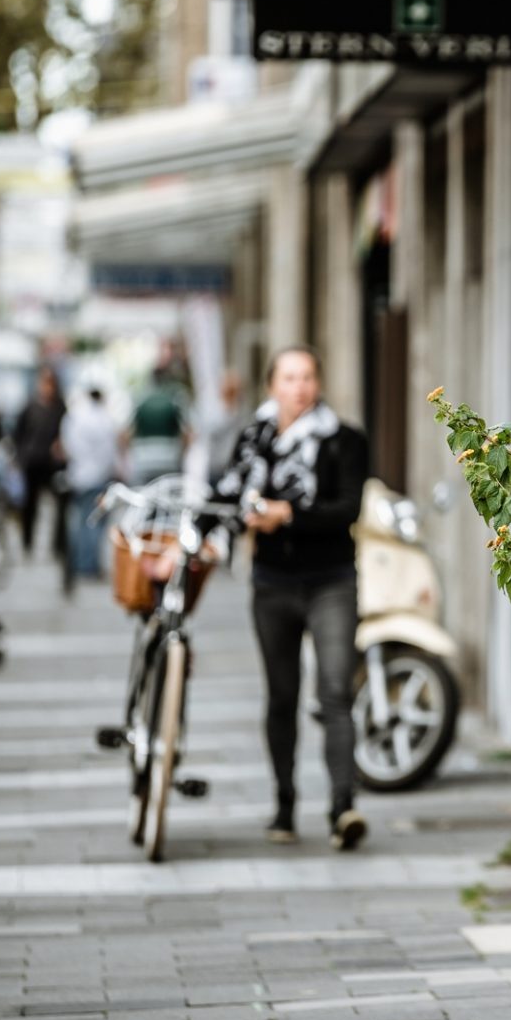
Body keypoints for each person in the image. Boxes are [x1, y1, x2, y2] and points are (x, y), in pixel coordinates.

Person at [212, 346, 369, 851]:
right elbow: (226, 496)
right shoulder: (253, 440)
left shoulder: (344, 441)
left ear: (318, 384)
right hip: (273, 582)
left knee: (334, 693)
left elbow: (348, 507)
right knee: (281, 696)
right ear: (271, 386)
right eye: (288, 377)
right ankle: (284, 804)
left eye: (307, 377)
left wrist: (288, 515)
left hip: (331, 580)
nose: (298, 387)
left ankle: (343, 807)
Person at [59, 385, 122, 593]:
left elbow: (67, 445)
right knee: (95, 522)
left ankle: (81, 564)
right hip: (98, 477)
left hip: (79, 476)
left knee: (81, 521)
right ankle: (90, 566)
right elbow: (111, 450)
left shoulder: (75, 417)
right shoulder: (105, 419)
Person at [12, 365, 67, 559]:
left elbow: (66, 431)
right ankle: (27, 542)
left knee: (60, 503)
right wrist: (19, 457)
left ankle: (58, 546)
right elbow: (18, 434)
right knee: (30, 505)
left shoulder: (60, 407)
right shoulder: (30, 406)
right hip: (32, 461)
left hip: (52, 463)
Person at [128, 372, 191, 484]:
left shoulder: (140, 399)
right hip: (170, 459)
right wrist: (181, 455)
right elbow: (187, 433)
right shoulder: (174, 398)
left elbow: (125, 433)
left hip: (143, 459)